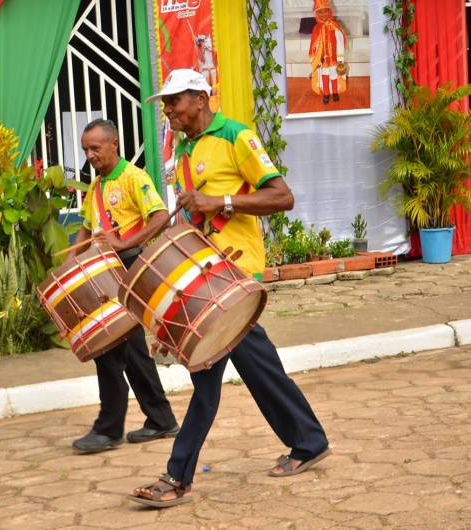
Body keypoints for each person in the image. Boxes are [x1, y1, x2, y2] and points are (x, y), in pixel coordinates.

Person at [128, 69, 330, 507]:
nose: (168, 112)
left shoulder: (237, 136)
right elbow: (195, 211)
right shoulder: (184, 147)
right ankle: (309, 440)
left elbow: (282, 197)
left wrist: (220, 202)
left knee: (208, 377)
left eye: (174, 102)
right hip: (204, 275)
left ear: (200, 99)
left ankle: (176, 478)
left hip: (235, 275)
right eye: (165, 104)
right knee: (255, 368)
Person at [66, 118, 179, 454]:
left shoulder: (134, 177)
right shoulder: (97, 187)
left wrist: (125, 242)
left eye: (95, 148)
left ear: (114, 144)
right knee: (116, 348)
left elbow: (160, 216)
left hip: (129, 268)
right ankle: (156, 420)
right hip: (105, 272)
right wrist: (74, 261)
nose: (90, 155)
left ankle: (114, 428)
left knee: (121, 346)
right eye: (86, 149)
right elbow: (87, 229)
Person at [309, 0, 347, 104]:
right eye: (320, 12)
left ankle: (335, 92)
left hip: (334, 59)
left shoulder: (334, 27)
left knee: (334, 75)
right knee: (324, 76)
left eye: (325, 11)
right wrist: (316, 57)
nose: (323, 14)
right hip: (323, 60)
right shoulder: (316, 29)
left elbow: (339, 43)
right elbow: (314, 45)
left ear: (329, 11)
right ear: (316, 14)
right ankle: (326, 94)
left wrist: (339, 59)